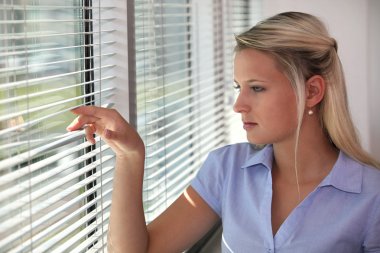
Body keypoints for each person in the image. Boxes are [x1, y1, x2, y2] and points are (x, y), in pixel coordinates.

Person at [67, 12, 380, 253]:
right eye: (239, 87)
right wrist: (131, 156)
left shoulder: (372, 197)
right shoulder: (226, 170)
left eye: (256, 88)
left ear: (311, 92)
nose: (239, 105)